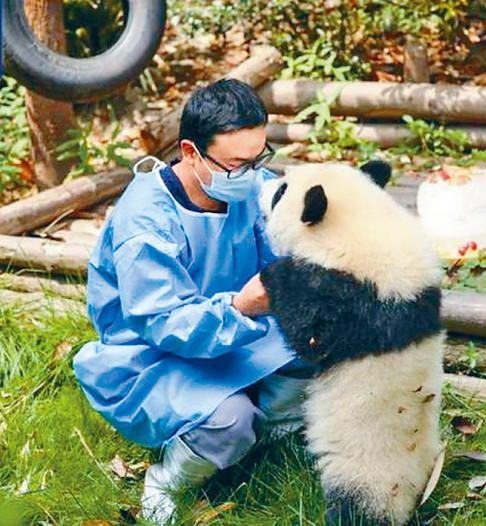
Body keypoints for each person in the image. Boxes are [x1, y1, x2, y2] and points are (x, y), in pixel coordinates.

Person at [73, 79, 311, 525]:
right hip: (154, 354)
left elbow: (279, 248)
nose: (254, 174)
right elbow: (163, 321)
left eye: (260, 157)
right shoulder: (146, 221)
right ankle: (168, 479)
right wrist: (241, 308)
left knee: (318, 340)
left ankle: (272, 441)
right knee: (229, 421)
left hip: (234, 329)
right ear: (190, 152)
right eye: (238, 164)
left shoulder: (244, 184)